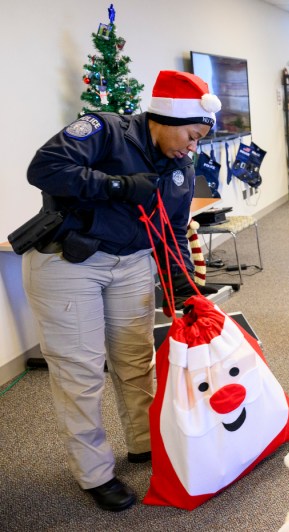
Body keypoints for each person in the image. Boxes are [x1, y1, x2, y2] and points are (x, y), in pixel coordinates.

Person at [21, 70, 221, 511]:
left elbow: (171, 234)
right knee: (82, 374)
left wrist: (186, 293)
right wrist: (114, 186)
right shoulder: (105, 130)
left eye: (199, 139)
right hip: (70, 264)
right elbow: (44, 168)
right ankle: (94, 473)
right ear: (167, 119)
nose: (193, 146)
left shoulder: (181, 167)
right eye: (191, 135)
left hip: (131, 263)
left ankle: (143, 442)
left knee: (135, 361)